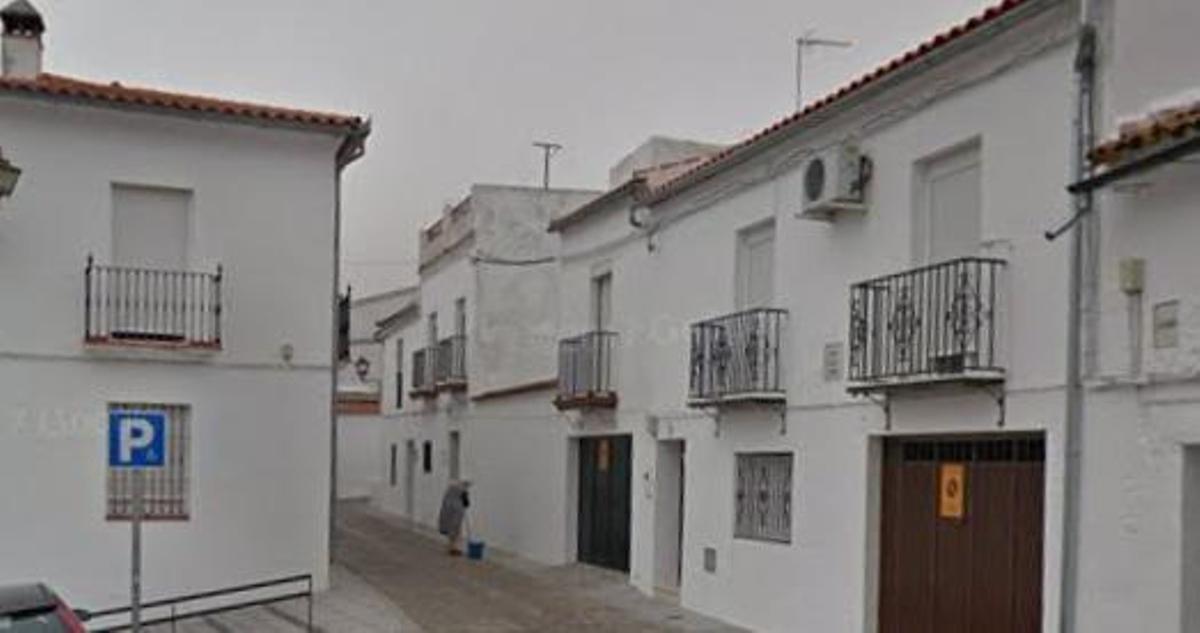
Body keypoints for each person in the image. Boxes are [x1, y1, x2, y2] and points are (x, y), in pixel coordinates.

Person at [437, 479, 471, 556]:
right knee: (455, 530)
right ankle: (453, 548)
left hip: (450, 510)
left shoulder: (450, 491)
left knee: (452, 530)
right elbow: (466, 503)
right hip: (455, 512)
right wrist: (465, 501)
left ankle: (451, 547)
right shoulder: (461, 491)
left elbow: (465, 503)